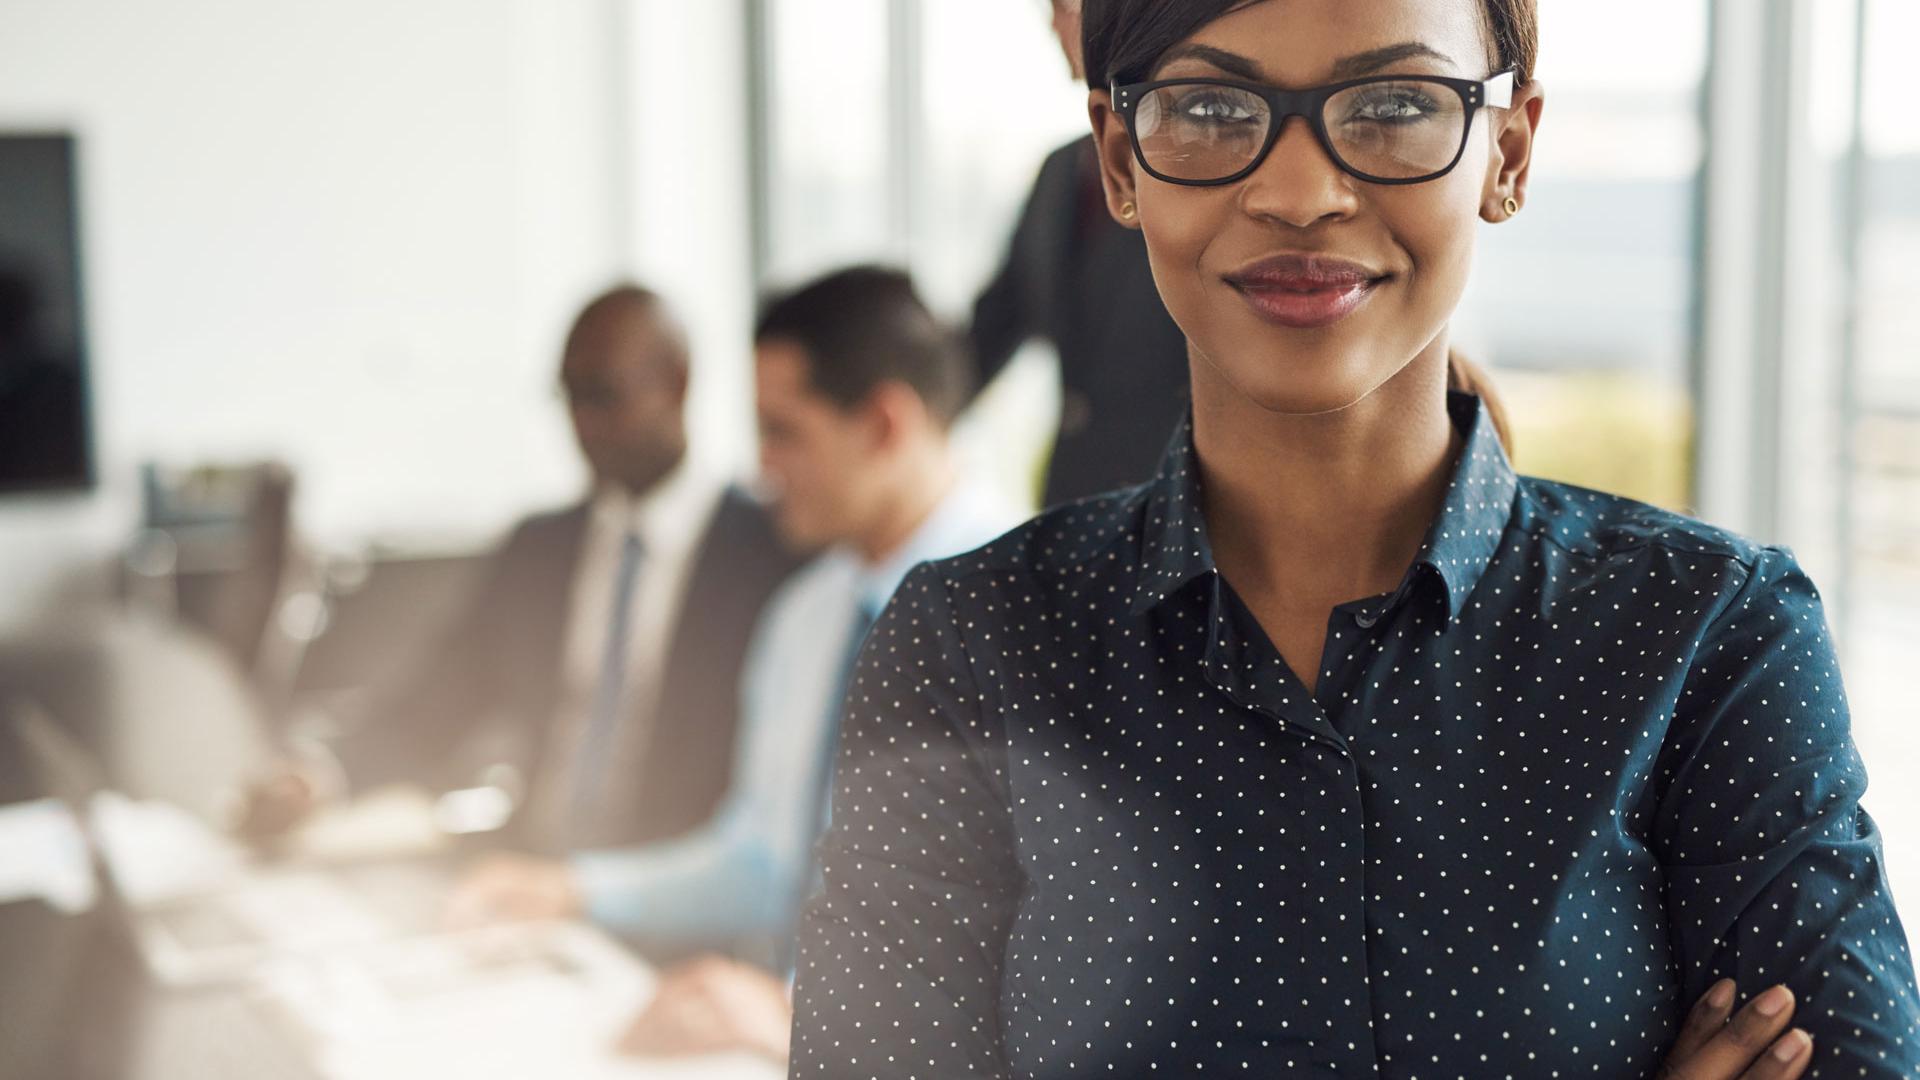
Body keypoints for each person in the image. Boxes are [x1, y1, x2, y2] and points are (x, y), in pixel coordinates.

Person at [787, 2, 1920, 1078]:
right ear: (1119, 159)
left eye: (1392, 105)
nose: (1297, 191)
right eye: (1210, 109)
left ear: (1509, 151)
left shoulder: (1712, 638)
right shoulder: (967, 649)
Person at [446, 268, 1018, 1029]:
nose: (762, 469)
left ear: (883, 424)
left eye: (784, 432)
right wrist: (575, 890)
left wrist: (794, 1014)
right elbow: (761, 860)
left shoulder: (1044, 619)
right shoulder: (806, 615)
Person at [238, 285, 803, 861]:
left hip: (680, 899)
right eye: (570, 396)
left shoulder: (768, 554)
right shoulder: (540, 549)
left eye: (604, 395)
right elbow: (435, 703)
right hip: (527, 876)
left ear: (676, 382)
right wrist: (321, 774)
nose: (583, 424)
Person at [967, 0, 1189, 507]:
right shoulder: (1059, 171)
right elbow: (995, 324)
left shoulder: (1201, 169)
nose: (1052, 24)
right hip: (1075, 505)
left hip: (1179, 513)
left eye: (1066, 6)